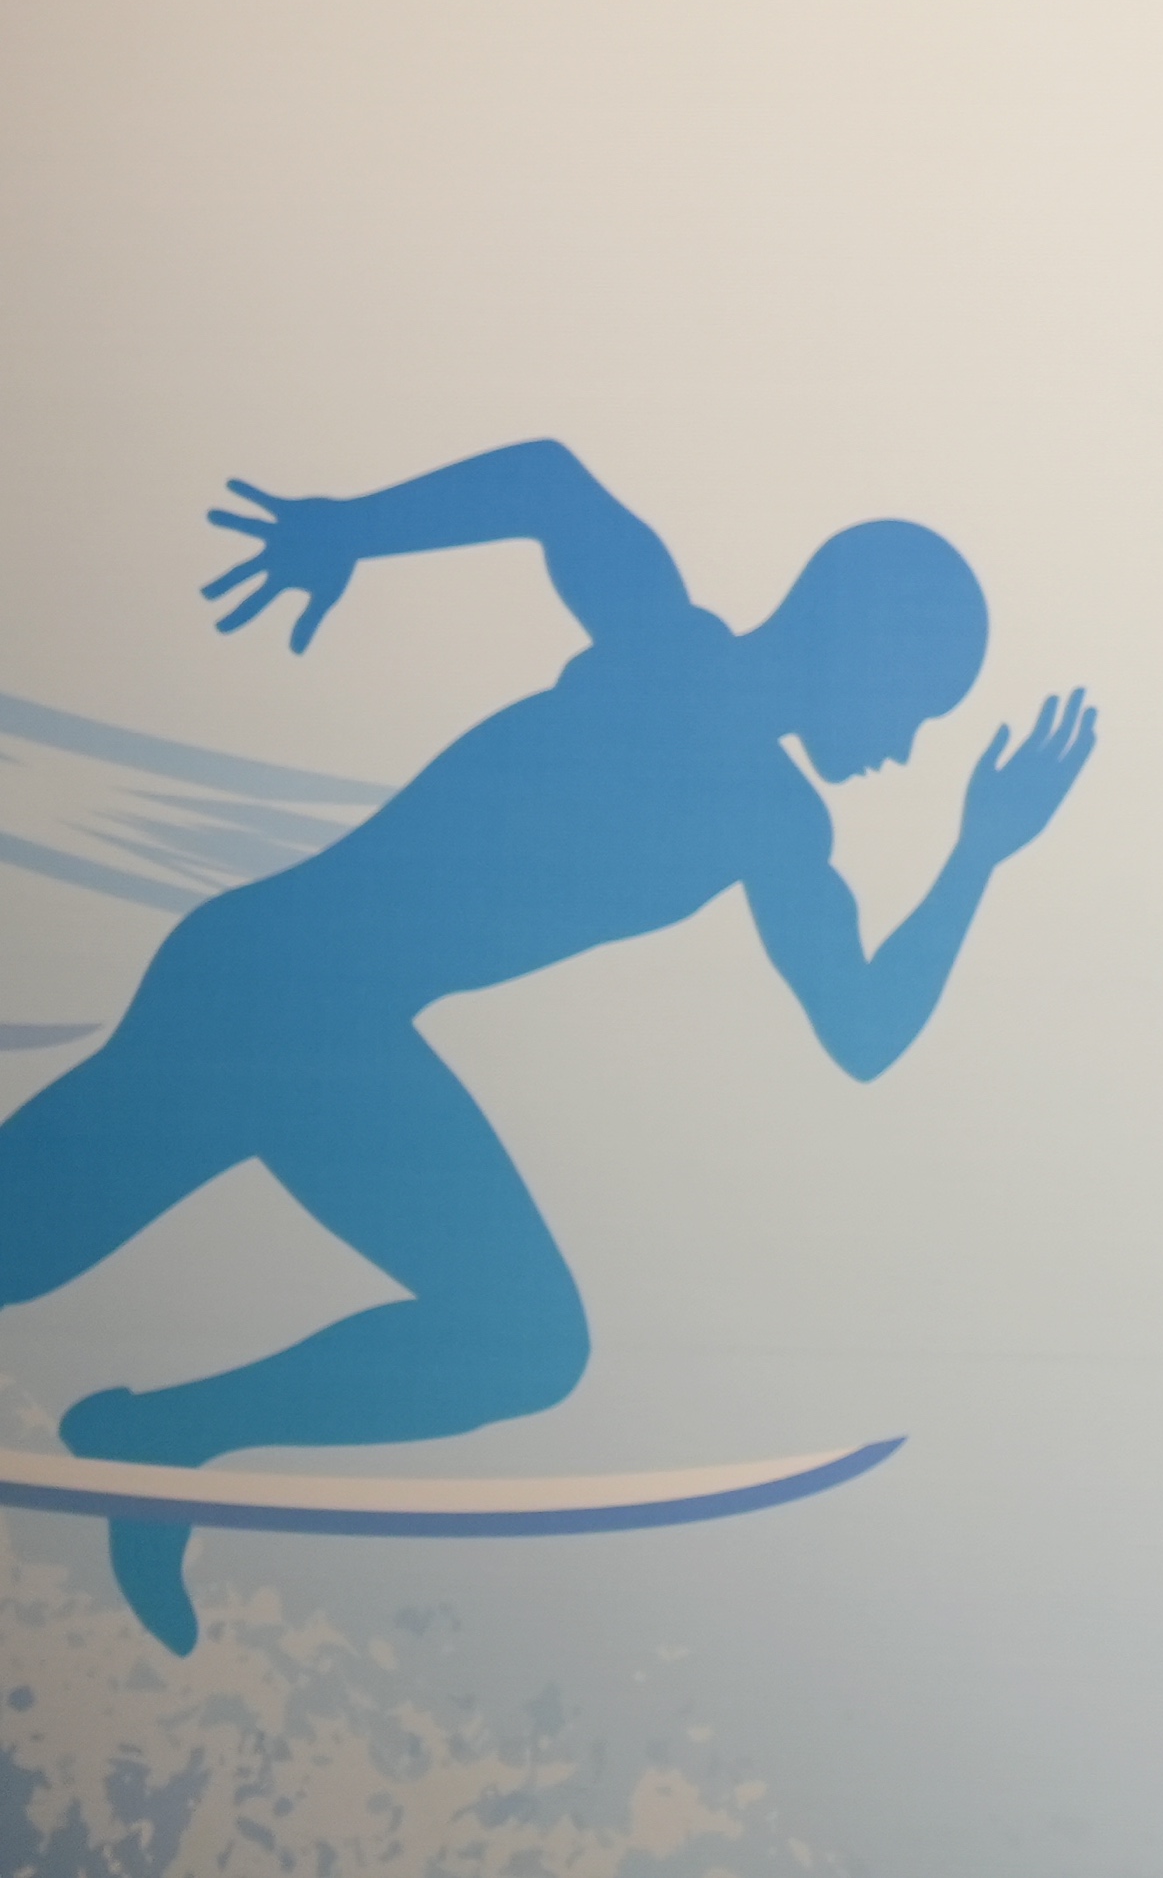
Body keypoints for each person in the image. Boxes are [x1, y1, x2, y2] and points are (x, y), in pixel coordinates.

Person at [0, 439, 1098, 1650]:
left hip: (336, 1033)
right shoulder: (664, 647)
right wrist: (347, 526)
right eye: (913, 706)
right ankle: (158, 1436)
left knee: (523, 1337)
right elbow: (547, 479)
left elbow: (864, 1031)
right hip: (262, 989)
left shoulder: (776, 820)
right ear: (864, 649)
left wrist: (977, 853)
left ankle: (162, 1435)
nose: (904, 747)